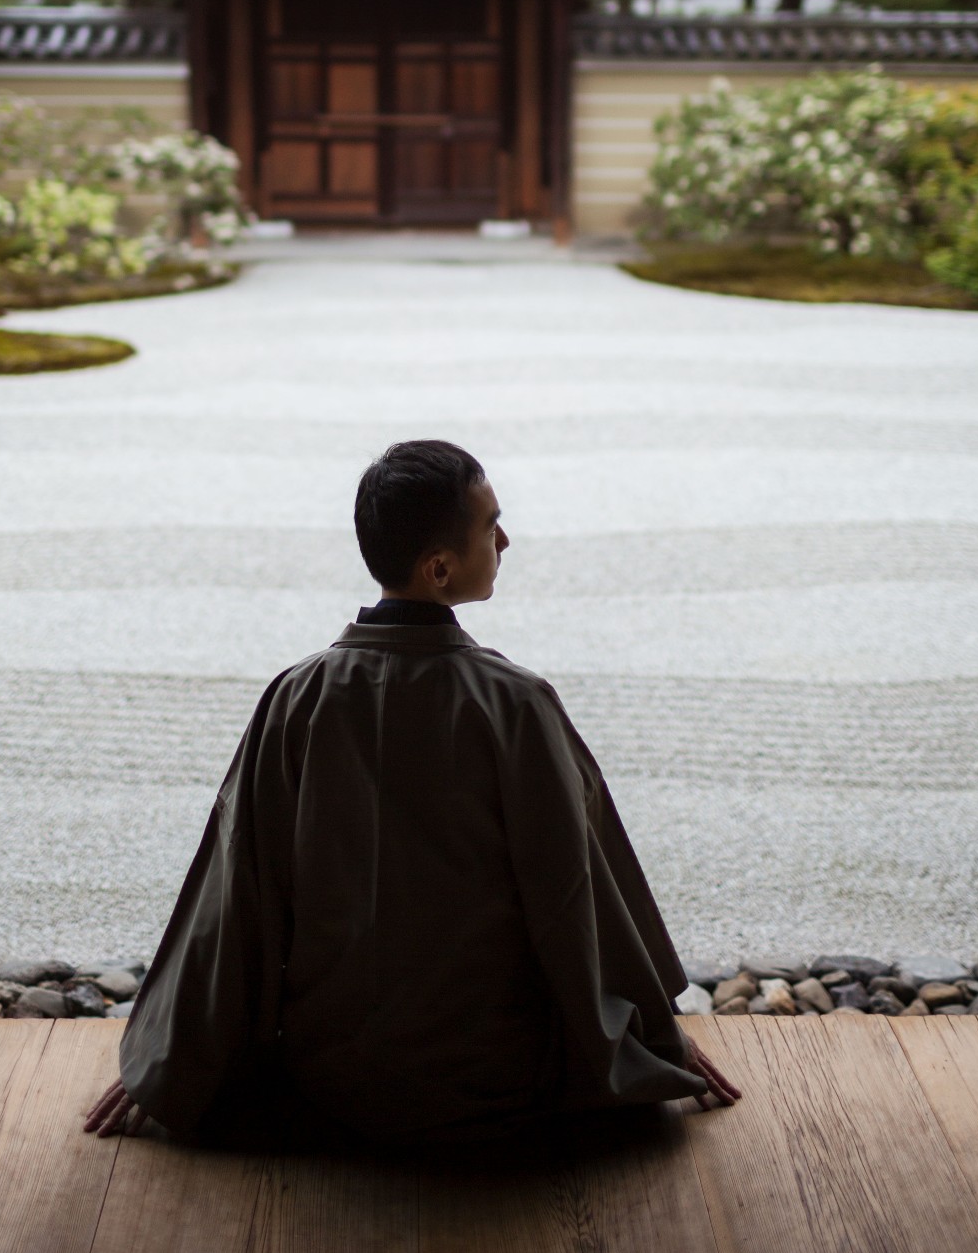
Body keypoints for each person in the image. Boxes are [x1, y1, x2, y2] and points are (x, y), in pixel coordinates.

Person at [85, 439, 738, 1146]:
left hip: (329, 1079)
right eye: (490, 525)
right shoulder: (514, 704)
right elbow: (577, 895)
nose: (505, 538)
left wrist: (168, 1062)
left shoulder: (295, 698)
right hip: (494, 1079)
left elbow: (234, 895)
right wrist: (656, 1035)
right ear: (438, 569)